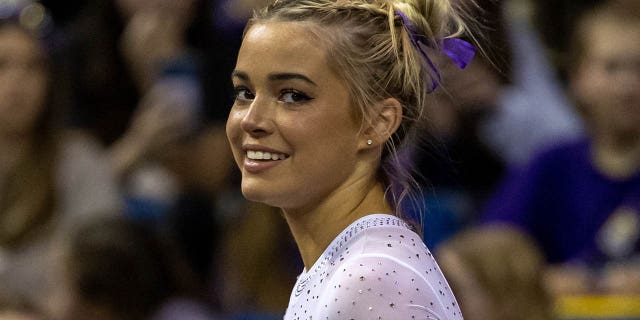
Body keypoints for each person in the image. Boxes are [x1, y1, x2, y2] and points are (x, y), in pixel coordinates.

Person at [225, 0, 477, 318]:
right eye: (244, 92)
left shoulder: (369, 280)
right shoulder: (348, 268)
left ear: (377, 122)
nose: (250, 120)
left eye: (292, 95)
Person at [481, 0, 640, 295]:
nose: (628, 85)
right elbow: (489, 252)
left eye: (639, 68)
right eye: (612, 67)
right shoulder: (551, 165)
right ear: (577, 78)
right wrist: (540, 280)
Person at [0, 1, 121, 317]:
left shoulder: (81, 161)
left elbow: (101, 276)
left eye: (34, 67)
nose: (17, 83)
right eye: (2, 65)